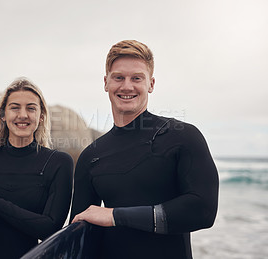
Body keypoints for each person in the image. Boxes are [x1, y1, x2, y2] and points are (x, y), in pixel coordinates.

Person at [70, 40, 219, 259]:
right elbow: (80, 236)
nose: (127, 86)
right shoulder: (91, 156)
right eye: (118, 77)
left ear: (151, 84)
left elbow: (203, 211)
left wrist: (115, 216)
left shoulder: (182, 137)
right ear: (106, 83)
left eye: (136, 78)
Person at [0, 77, 73, 259]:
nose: (22, 115)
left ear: (41, 117)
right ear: (3, 115)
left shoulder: (58, 163)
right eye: (15, 107)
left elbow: (49, 228)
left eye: (31, 108)